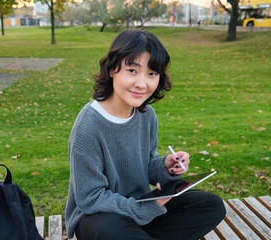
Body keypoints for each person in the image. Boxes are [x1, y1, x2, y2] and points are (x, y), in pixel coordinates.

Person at [65, 29, 226, 240]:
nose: (142, 84)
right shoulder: (88, 125)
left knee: (210, 205)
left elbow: (146, 166)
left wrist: (166, 166)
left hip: (141, 202)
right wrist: (144, 209)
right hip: (100, 215)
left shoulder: (146, 114)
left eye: (152, 74)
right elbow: (90, 198)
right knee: (109, 229)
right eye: (132, 70)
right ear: (113, 68)